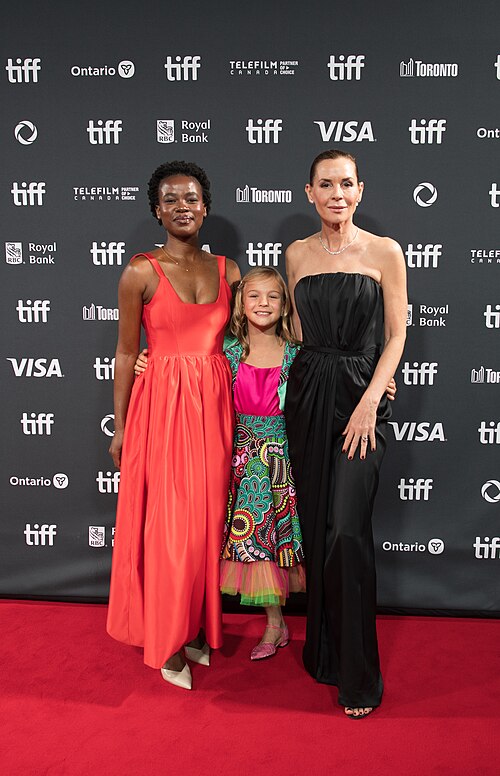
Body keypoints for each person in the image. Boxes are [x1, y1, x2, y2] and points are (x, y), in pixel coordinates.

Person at [106, 160, 240, 690]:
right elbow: (123, 353)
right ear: (156, 210)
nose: (183, 207)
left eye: (192, 198)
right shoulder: (139, 271)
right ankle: (165, 643)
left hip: (214, 406)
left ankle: (196, 629)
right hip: (160, 408)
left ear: (206, 207)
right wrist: (119, 427)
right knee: (167, 526)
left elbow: (254, 340)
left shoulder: (229, 271)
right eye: (171, 199)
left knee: (207, 522)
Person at [285, 149, 407, 718]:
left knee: (346, 534)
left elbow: (398, 335)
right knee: (317, 529)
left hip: (361, 397)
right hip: (308, 396)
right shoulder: (296, 255)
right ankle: (324, 653)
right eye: (326, 184)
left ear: (361, 190)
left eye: (347, 183)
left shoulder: (385, 252)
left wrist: (370, 400)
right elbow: (285, 330)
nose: (338, 193)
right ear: (309, 192)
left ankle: (359, 678)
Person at [135, 268, 306, 660]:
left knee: (275, 542)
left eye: (273, 298)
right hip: (238, 461)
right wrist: (147, 361)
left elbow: (328, 386)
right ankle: (270, 623)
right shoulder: (228, 352)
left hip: (281, 463)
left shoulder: (297, 354)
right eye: (254, 297)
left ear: (284, 307)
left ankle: (276, 624)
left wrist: (375, 383)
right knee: (247, 542)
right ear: (241, 306)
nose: (263, 304)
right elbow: (186, 366)